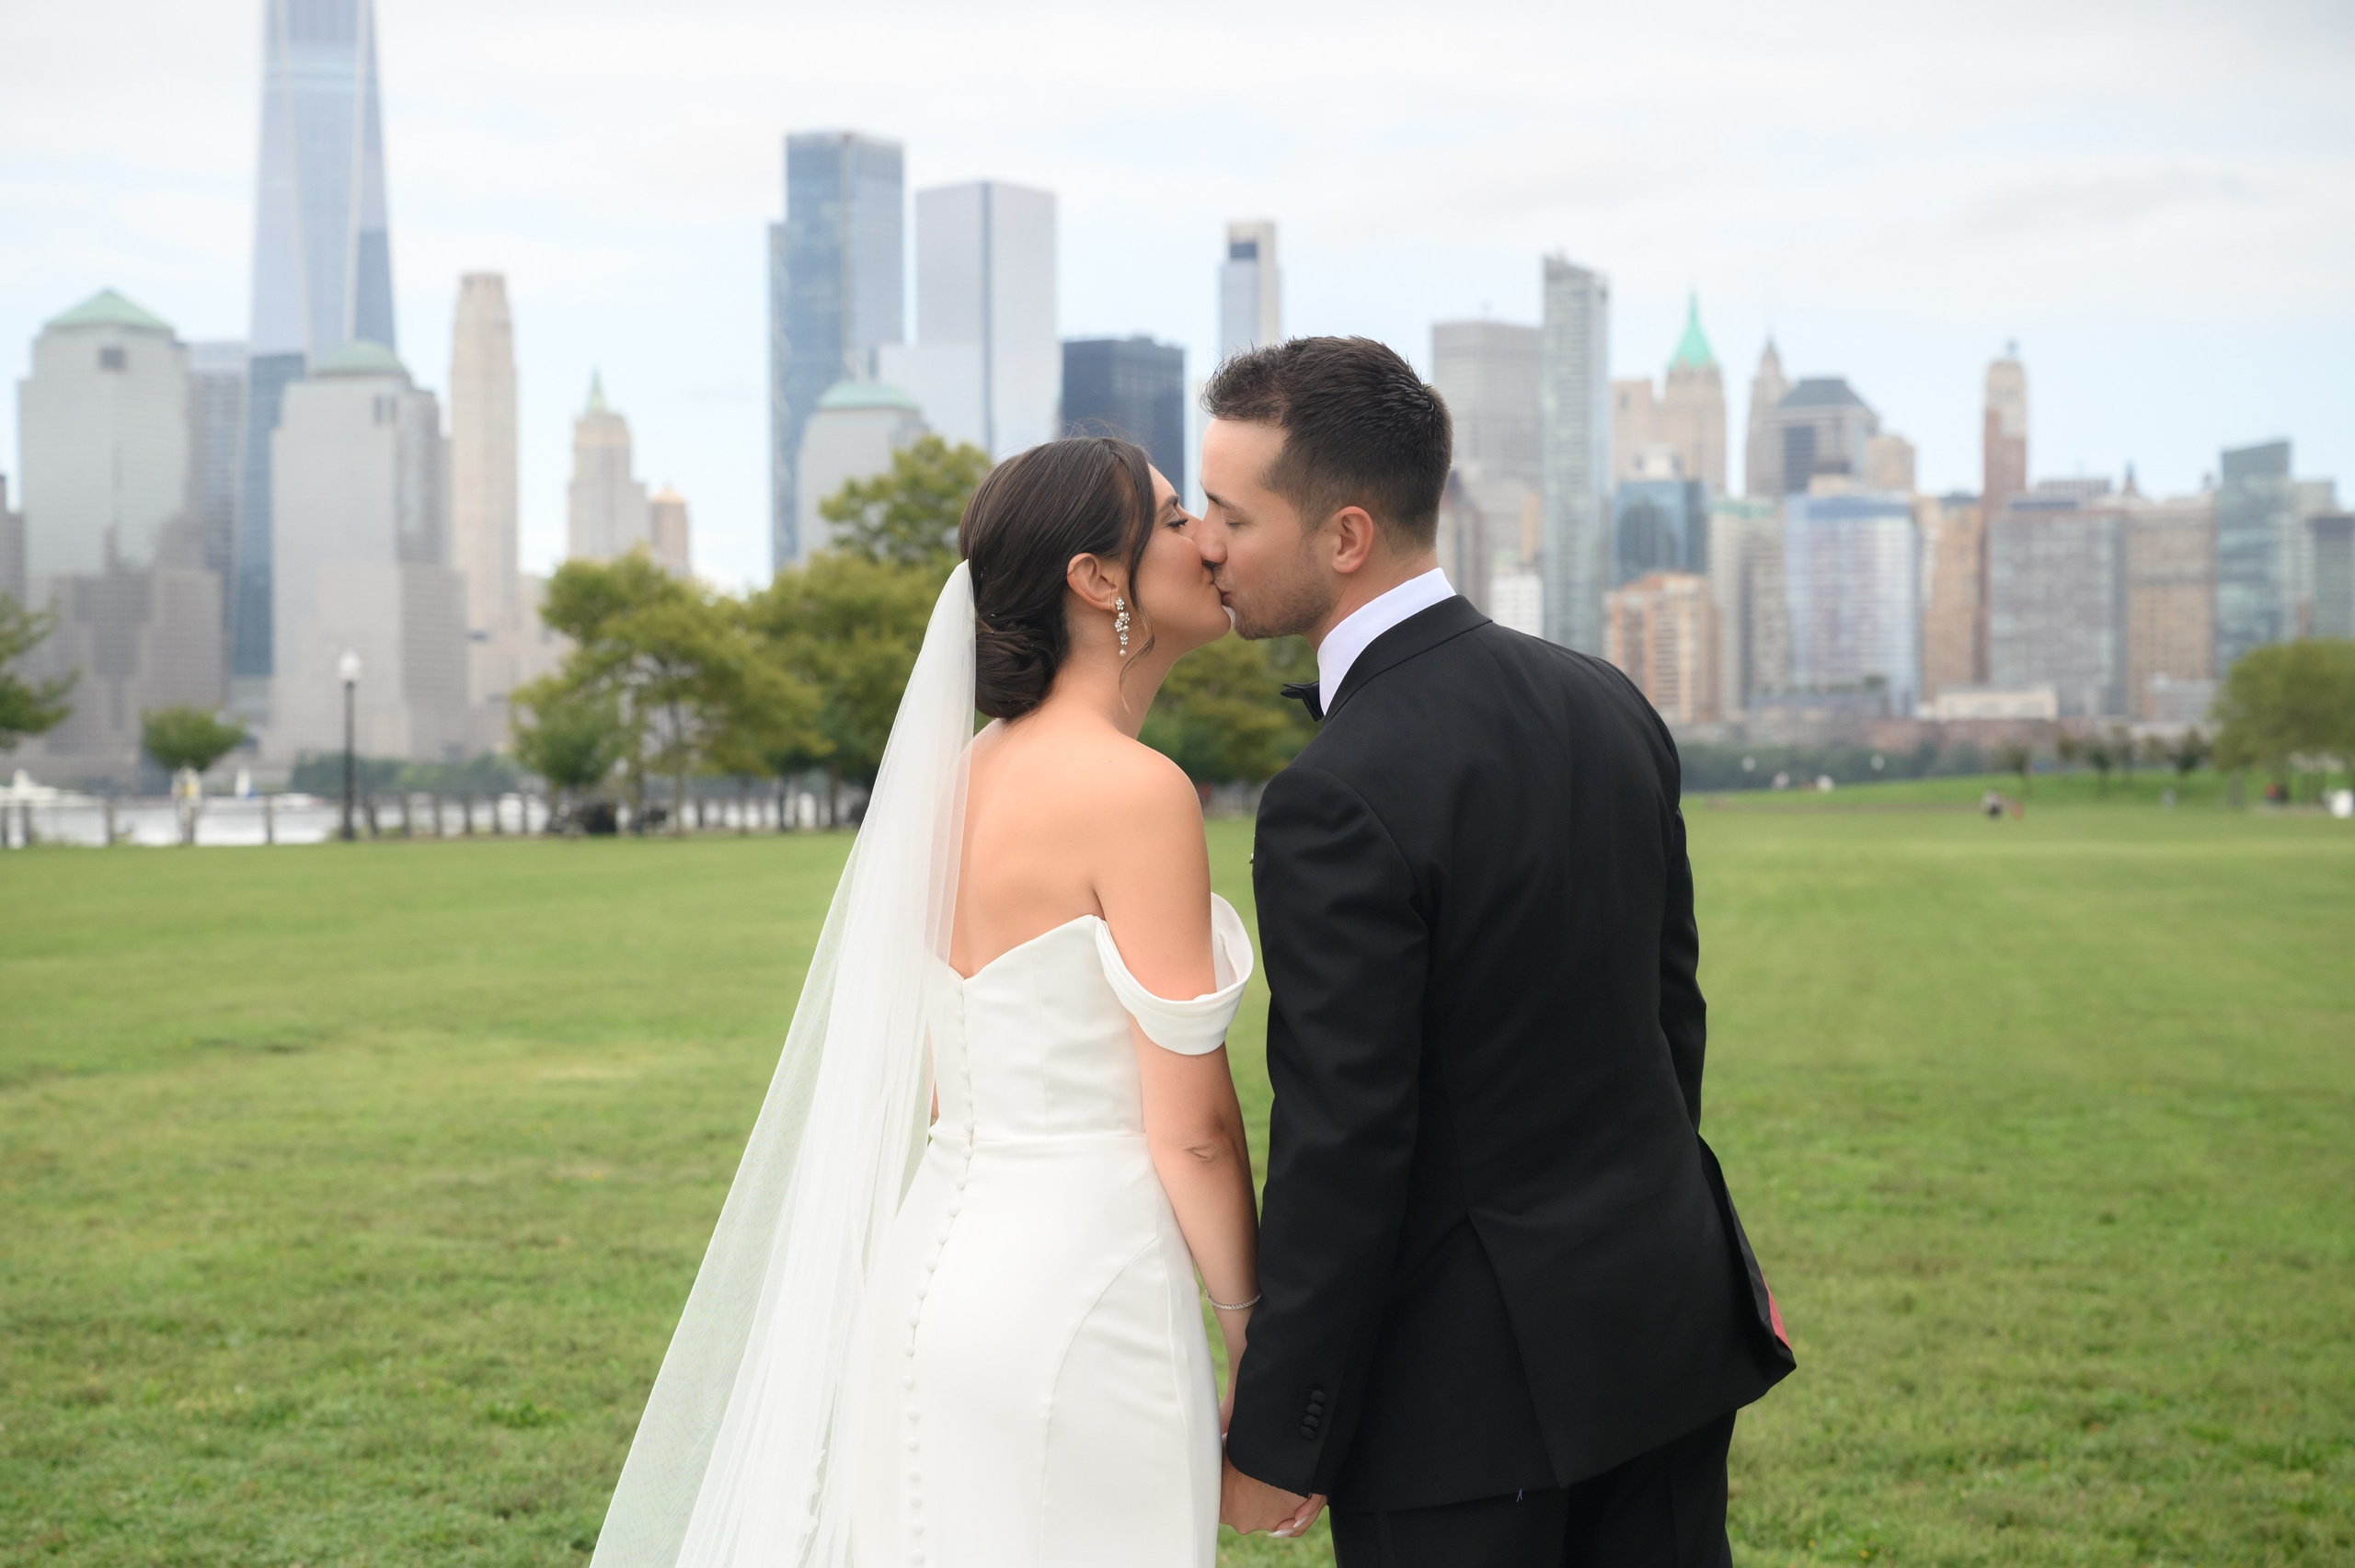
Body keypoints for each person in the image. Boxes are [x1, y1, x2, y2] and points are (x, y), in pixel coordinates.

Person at [588, 437, 1261, 1567]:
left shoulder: (956, 787)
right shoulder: (1137, 794)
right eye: (1175, 515)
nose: (1208, 537)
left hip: (930, 1284)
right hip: (1088, 1297)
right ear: (1098, 580)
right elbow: (1189, 1127)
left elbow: (959, 1080)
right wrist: (1254, 1335)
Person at [1195, 338, 1795, 1566]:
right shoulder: (1607, 699)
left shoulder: (1333, 794)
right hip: (1663, 1334)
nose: (1207, 542)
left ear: (1345, 536)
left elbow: (1345, 1141)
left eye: (1229, 513)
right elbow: (1666, 1030)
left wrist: (1282, 1429)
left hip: (1460, 1406)